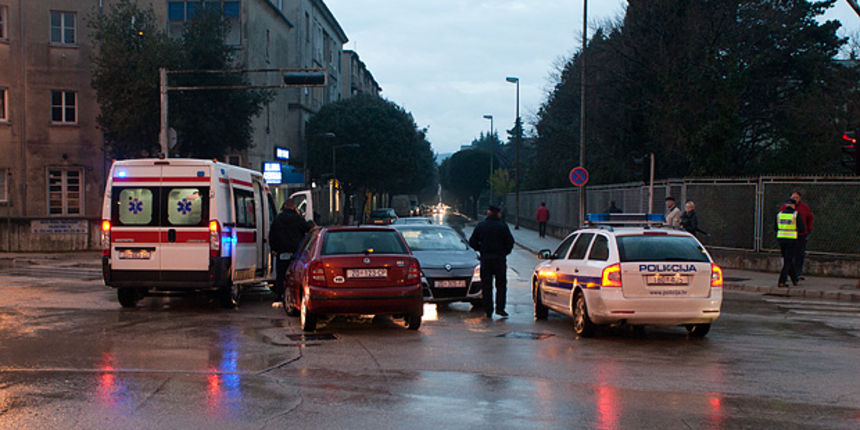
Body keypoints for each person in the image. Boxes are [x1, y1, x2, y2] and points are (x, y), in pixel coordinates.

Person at [469, 205, 515, 319]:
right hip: (499, 259)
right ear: (498, 214)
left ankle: (488, 310)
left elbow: (472, 242)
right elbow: (510, 242)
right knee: (501, 285)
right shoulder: (503, 226)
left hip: (486, 259)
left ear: (488, 213)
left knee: (486, 285)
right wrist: (504, 252)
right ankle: (500, 308)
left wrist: (481, 249)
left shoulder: (481, 226)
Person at [269, 200, 313, 301]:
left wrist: (274, 249)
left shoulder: (278, 218)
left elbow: (272, 235)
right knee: (294, 275)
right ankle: (293, 296)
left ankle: (279, 295)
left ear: (284, 206)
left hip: (281, 251)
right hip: (295, 252)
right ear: (294, 207)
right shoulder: (298, 218)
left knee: (281, 274)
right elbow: (308, 229)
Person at [779, 191, 813, 280]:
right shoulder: (784, 209)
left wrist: (808, 229)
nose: (795, 199)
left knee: (799, 255)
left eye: (797, 197)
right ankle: (789, 275)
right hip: (788, 237)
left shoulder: (804, 208)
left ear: (800, 198)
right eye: (793, 197)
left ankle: (797, 274)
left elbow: (809, 218)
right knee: (789, 257)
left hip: (800, 235)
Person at [775, 198, 806, 288]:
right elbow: (802, 228)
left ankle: (794, 278)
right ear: (793, 205)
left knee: (787, 258)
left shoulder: (779, 214)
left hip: (781, 238)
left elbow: (775, 227)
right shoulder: (795, 214)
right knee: (788, 261)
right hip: (791, 239)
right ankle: (782, 281)